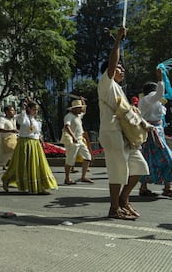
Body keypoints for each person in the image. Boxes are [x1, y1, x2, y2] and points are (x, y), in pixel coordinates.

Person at [97, 27, 149, 220]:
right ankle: (114, 208)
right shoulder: (105, 83)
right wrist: (117, 41)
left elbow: (127, 113)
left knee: (140, 168)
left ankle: (123, 200)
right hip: (112, 133)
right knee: (118, 172)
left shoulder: (119, 90)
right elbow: (112, 65)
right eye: (119, 68)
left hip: (126, 136)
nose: (122, 70)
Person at [1, 100, 58, 194]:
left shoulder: (35, 120)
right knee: (20, 165)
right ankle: (6, 180)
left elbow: (37, 132)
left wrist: (41, 141)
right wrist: (23, 109)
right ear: (29, 109)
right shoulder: (22, 117)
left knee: (38, 165)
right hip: (25, 143)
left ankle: (40, 187)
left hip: (35, 144)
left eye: (37, 110)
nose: (36, 111)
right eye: (34, 109)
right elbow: (21, 121)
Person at [138, 68, 172, 197]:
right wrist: (160, 79)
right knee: (167, 159)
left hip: (153, 132)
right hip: (153, 132)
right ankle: (167, 187)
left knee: (148, 159)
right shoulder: (149, 98)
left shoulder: (146, 101)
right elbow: (158, 94)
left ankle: (144, 187)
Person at [61, 98, 93, 185]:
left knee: (87, 157)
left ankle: (83, 176)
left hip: (80, 140)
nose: (81, 109)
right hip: (72, 141)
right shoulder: (69, 116)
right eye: (79, 107)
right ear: (74, 108)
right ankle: (67, 178)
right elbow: (67, 127)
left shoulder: (78, 116)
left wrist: (83, 101)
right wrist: (73, 136)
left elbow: (84, 110)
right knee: (70, 160)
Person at [0, 105, 17, 185]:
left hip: (13, 142)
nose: (13, 112)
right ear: (7, 112)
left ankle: (12, 178)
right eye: (11, 110)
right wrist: (12, 130)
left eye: (13, 110)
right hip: (4, 144)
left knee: (14, 160)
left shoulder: (13, 120)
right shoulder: (2, 119)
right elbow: (0, 129)